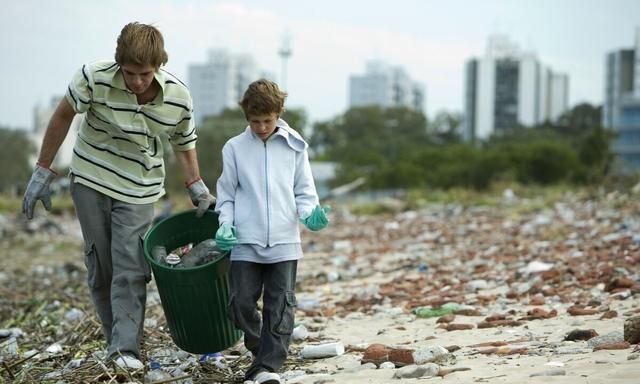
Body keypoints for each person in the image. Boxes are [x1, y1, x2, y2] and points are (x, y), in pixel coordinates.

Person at [22, 22, 215, 370]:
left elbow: (184, 144)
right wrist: (43, 169)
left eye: (144, 73)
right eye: (129, 73)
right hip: (90, 178)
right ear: (118, 64)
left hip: (139, 189)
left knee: (130, 265)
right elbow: (63, 115)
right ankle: (117, 341)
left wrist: (195, 184)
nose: (137, 81)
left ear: (158, 66)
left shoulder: (178, 98)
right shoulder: (93, 77)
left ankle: (125, 349)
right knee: (102, 266)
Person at [214, 79, 330, 384]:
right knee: (240, 303)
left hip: (284, 240)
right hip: (245, 241)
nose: (262, 127)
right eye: (255, 122)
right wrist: (225, 223)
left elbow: (304, 192)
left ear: (278, 114)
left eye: (268, 120)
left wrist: (310, 215)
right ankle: (261, 352)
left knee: (281, 307)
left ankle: (268, 368)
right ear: (246, 118)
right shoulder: (234, 149)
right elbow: (226, 195)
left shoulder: (295, 146)